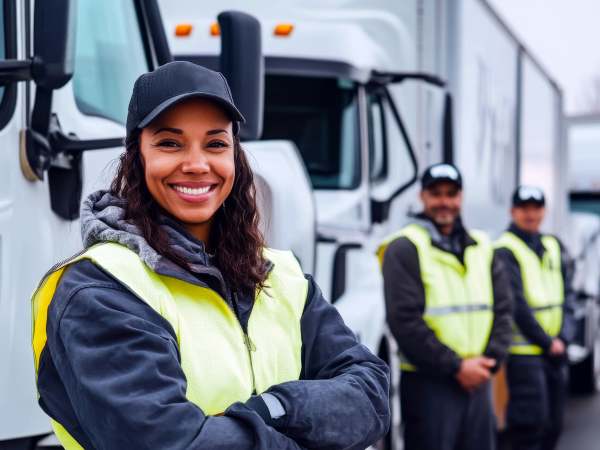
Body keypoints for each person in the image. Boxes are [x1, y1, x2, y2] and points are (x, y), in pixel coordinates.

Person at [31, 61, 390, 450]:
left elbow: (370, 393)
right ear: (137, 157)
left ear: (236, 156)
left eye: (216, 143)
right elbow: (167, 442)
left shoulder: (279, 274)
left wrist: (274, 409)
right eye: (170, 143)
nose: (197, 164)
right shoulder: (100, 288)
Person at [378, 163, 513, 450]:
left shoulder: (482, 246)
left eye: (451, 194)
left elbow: (503, 310)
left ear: (461, 197)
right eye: (436, 194)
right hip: (430, 384)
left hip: (479, 380)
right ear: (422, 197)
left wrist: (487, 364)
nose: (444, 202)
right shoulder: (404, 248)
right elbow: (404, 321)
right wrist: (457, 367)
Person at [495, 186, 575, 450]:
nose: (530, 214)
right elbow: (516, 304)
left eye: (536, 208)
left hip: (554, 351)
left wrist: (563, 336)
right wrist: (547, 342)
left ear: (544, 211)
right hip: (525, 354)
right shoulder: (506, 249)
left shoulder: (552, 245)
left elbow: (568, 296)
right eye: (524, 208)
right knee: (528, 428)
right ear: (512, 211)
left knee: (554, 426)